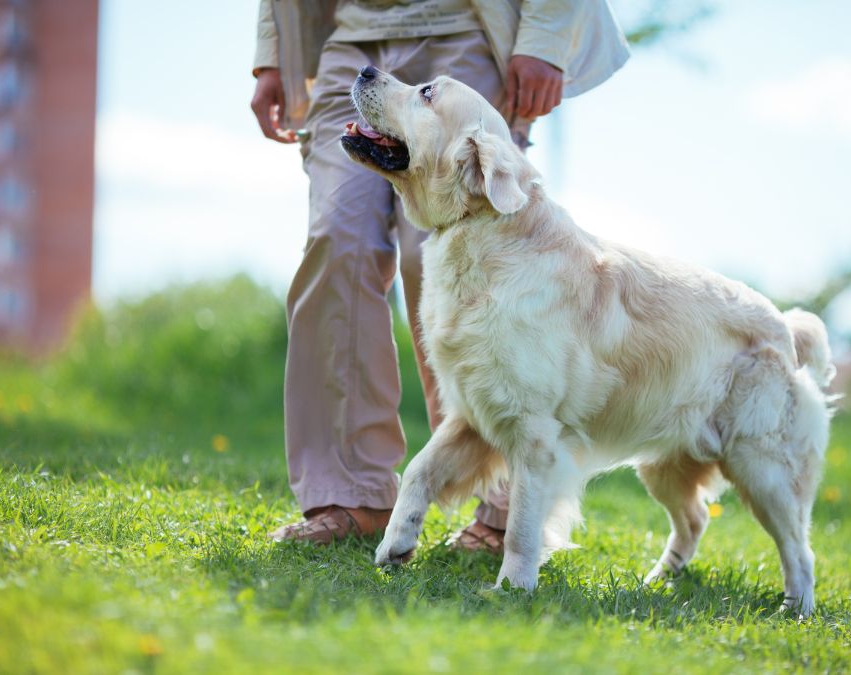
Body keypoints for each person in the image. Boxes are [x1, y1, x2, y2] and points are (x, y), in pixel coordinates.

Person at [251, 0, 628, 551]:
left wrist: (545, 39)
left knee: (458, 247)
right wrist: (272, 57)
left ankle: (505, 511)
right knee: (337, 241)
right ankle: (350, 494)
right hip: (349, 34)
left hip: (471, 29)